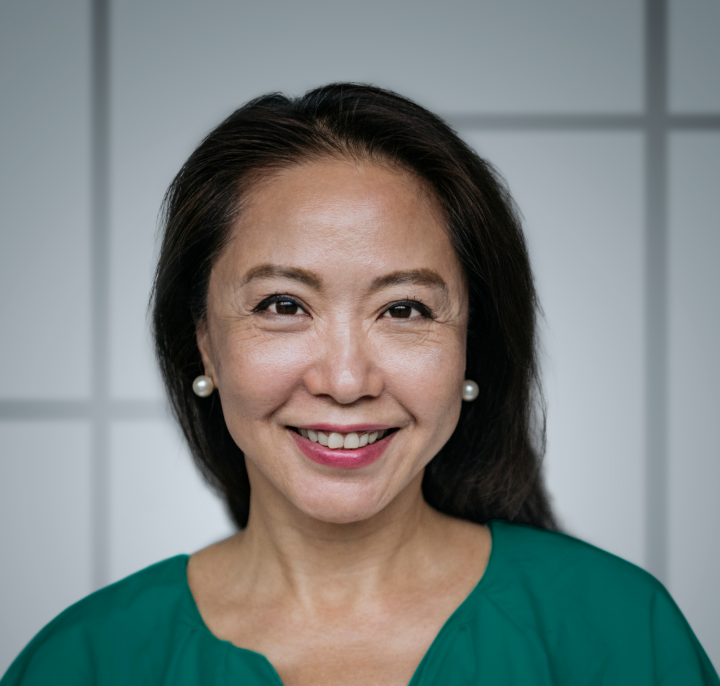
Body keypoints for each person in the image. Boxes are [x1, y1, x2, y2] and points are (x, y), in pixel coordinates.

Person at [2, 83, 717, 686]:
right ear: (204, 345)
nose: (346, 381)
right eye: (283, 306)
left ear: (472, 346)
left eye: (404, 309)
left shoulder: (620, 633)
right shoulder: (86, 662)